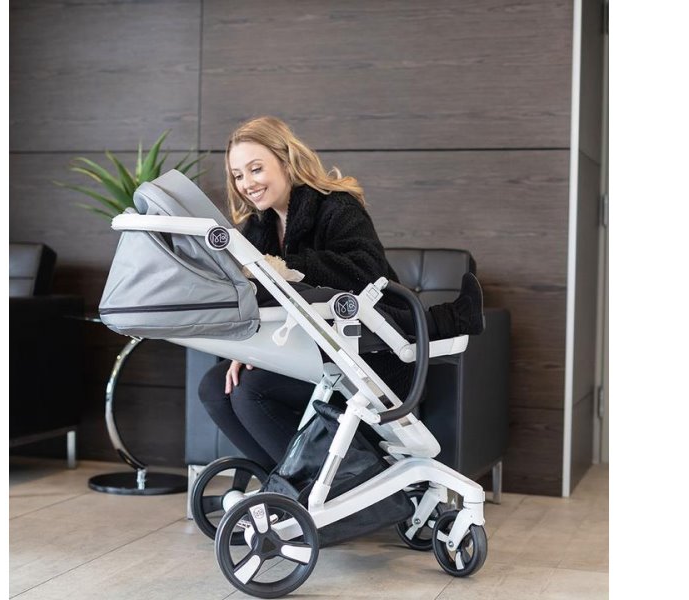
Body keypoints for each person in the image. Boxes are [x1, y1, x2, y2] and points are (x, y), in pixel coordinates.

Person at [198, 116, 484, 471]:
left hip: (369, 354)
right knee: (215, 388)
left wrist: (287, 266)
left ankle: (331, 484)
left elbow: (366, 272)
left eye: (256, 169)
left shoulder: (337, 206)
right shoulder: (259, 227)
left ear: (286, 161)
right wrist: (248, 348)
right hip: (307, 349)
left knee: (251, 392)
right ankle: (284, 483)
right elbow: (256, 296)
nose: (247, 184)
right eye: (238, 175)